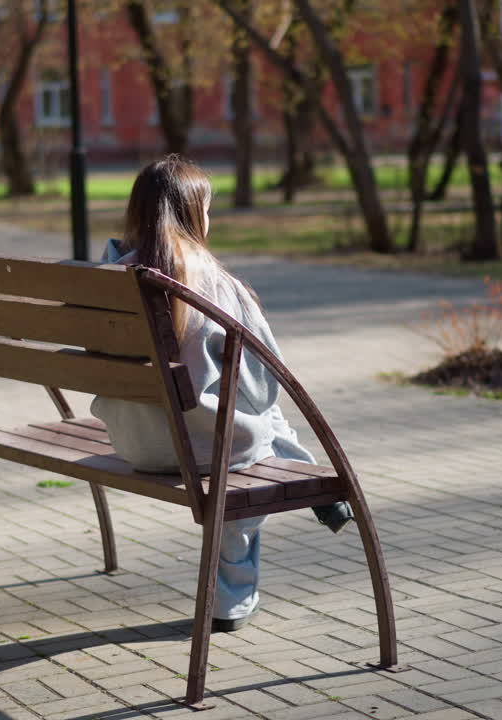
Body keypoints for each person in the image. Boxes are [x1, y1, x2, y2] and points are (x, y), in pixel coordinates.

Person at [90, 155, 353, 633]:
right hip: (205, 453)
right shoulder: (217, 285)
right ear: (194, 214)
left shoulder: (106, 280)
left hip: (134, 444)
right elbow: (264, 386)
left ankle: (309, 470)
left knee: (250, 421)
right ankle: (231, 597)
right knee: (260, 424)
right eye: (207, 209)